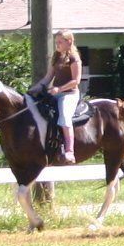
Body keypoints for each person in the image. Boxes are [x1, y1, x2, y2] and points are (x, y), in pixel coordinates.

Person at [35, 30, 81, 164]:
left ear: (69, 42)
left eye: (60, 42)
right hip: (55, 93)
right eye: (56, 42)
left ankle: (69, 151)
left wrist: (59, 89)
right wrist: (34, 89)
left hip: (69, 94)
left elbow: (76, 81)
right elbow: (48, 77)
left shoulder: (74, 58)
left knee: (65, 117)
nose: (57, 45)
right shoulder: (56, 57)